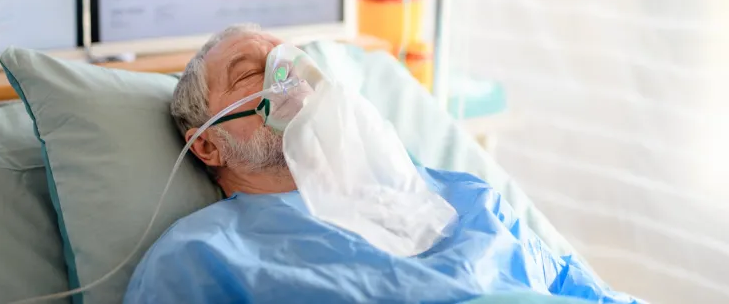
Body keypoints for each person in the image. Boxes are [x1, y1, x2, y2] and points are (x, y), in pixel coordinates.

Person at [123, 24, 643, 304]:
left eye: (290, 64)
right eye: (248, 76)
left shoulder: (452, 196)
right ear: (207, 147)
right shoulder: (200, 259)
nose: (285, 81)